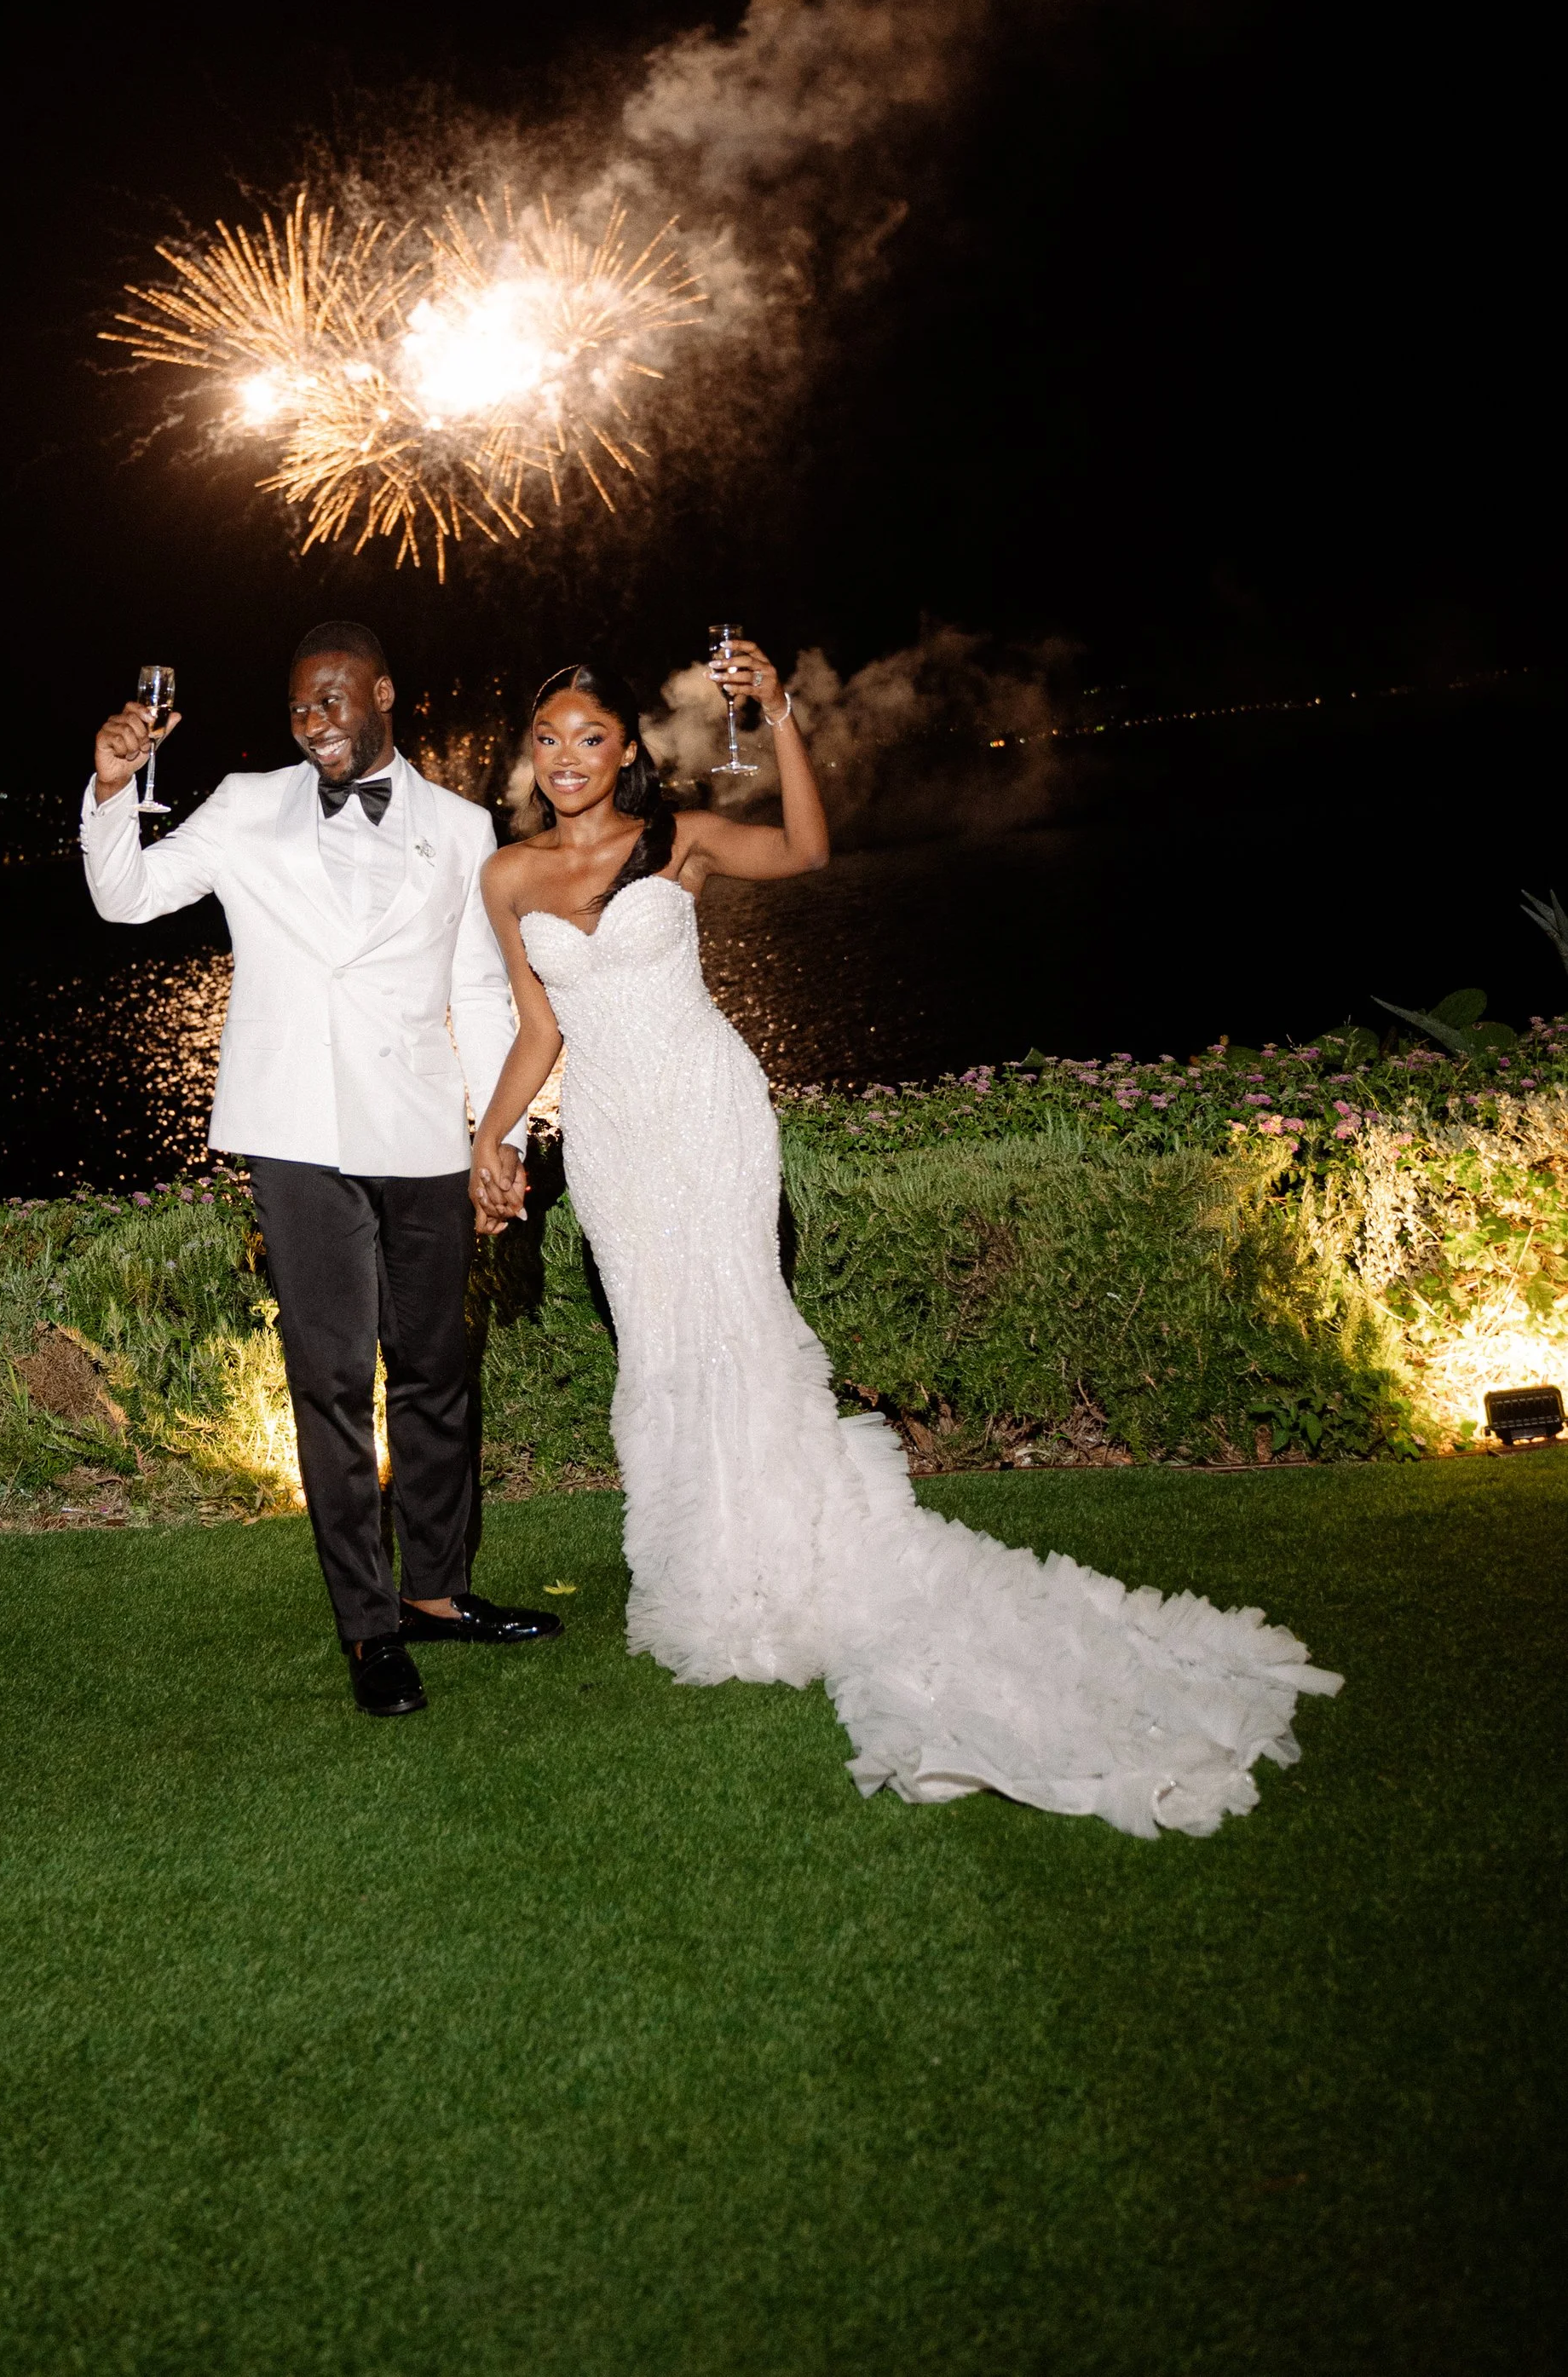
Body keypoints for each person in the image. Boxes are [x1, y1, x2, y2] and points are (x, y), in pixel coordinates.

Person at [470, 644, 1340, 1838]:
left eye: (592, 738)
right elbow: (535, 1028)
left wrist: (777, 718)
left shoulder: (687, 839)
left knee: (742, 1322)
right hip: (614, 1142)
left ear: (631, 748)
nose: (567, 759)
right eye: (550, 739)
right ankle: (706, 1570)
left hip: (714, 1116)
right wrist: (492, 1134)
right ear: (534, 754)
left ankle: (789, 1554)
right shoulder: (507, 877)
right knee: (662, 1345)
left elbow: (812, 850)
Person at [82, 620, 562, 1716]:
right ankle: (368, 1625)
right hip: (294, 1135)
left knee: (438, 1368)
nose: (314, 724)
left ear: (383, 695)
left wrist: (501, 1135)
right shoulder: (250, 805)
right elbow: (127, 898)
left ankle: (439, 1594)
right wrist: (111, 789)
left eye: (333, 702)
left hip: (425, 1134)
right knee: (334, 1386)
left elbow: (484, 995)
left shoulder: (459, 824)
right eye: (299, 707)